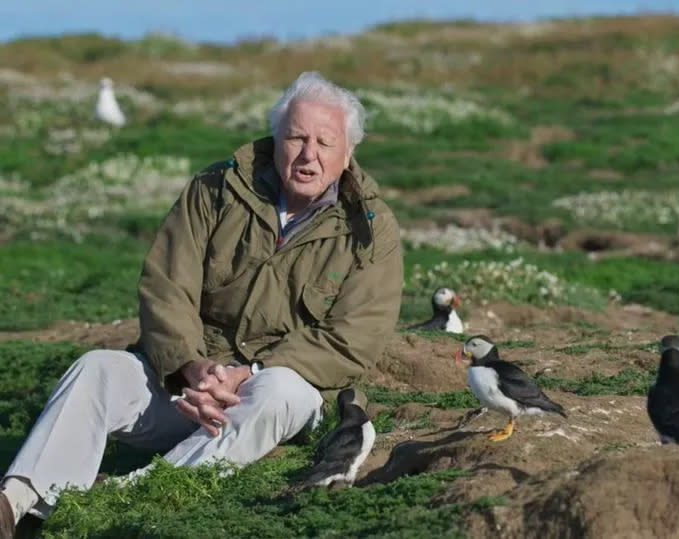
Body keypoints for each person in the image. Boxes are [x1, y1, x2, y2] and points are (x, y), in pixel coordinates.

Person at [0, 71, 403, 537]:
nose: (308, 154)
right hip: (187, 384)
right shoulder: (216, 187)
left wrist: (245, 374)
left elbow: (355, 339)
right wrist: (190, 366)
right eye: (296, 137)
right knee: (98, 368)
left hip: (275, 394)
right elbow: (166, 284)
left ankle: (119, 505)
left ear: (348, 152)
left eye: (324, 142)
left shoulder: (372, 228)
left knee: (277, 391)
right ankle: (19, 503)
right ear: (276, 139)